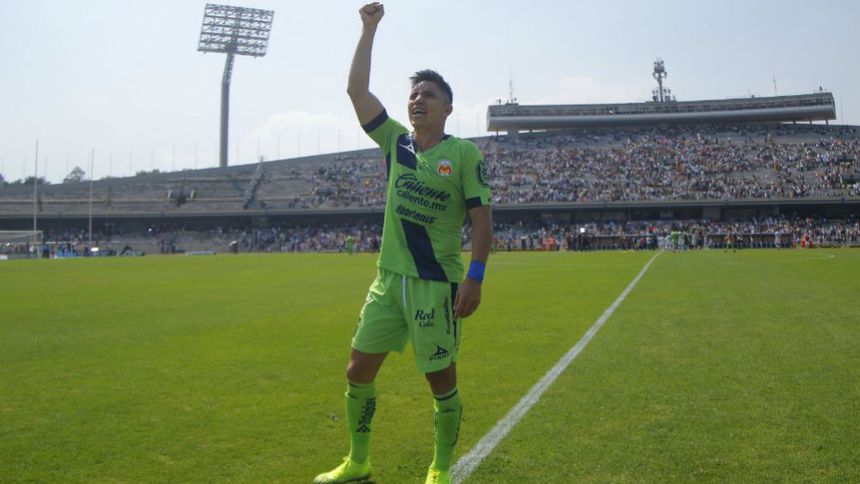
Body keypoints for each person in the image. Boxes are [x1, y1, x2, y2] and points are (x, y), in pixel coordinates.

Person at [314, 3, 493, 484]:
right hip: (388, 281)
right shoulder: (396, 142)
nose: (418, 100)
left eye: (428, 95)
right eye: (413, 94)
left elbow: (482, 220)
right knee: (357, 370)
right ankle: (358, 461)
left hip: (435, 285)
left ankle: (440, 467)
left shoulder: (463, 153)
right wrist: (368, 29)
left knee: (441, 380)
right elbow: (356, 92)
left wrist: (475, 278)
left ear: (447, 108)